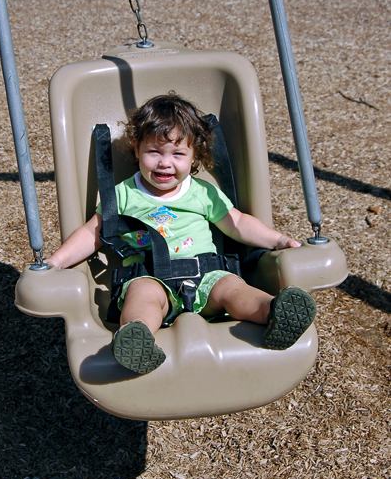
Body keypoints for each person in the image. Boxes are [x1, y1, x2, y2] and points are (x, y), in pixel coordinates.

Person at [45, 92, 316, 375]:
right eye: (154, 152)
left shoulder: (203, 193)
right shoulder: (122, 195)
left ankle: (274, 312)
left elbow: (238, 223)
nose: (165, 163)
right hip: (149, 276)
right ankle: (137, 339)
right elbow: (93, 233)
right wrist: (55, 262)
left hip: (207, 276)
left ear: (193, 156)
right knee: (142, 297)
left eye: (177, 154)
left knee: (234, 291)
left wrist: (278, 241)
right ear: (136, 149)